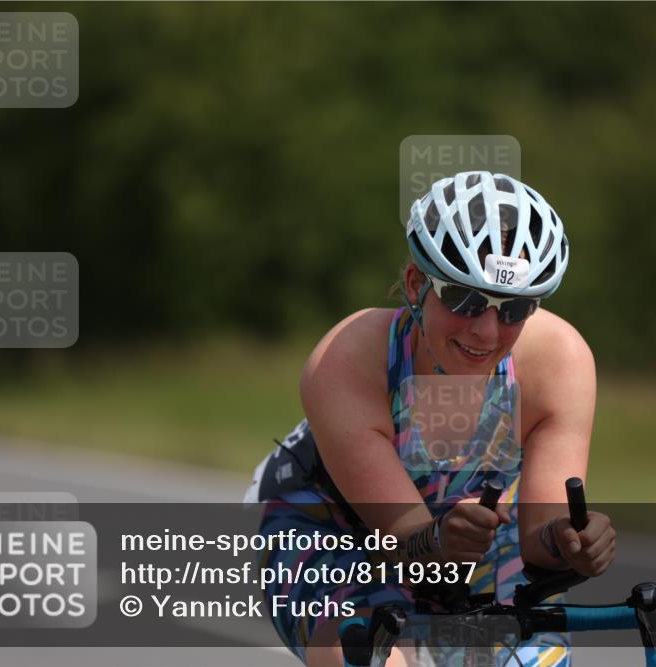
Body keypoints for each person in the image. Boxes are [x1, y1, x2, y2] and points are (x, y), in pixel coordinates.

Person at [244, 171, 614, 666]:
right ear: (417, 284)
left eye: (515, 309)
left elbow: (538, 540)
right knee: (369, 654)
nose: (486, 331)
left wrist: (569, 542)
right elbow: (407, 545)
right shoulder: (348, 357)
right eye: (465, 299)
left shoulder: (557, 361)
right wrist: (440, 539)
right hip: (335, 523)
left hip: (471, 534)